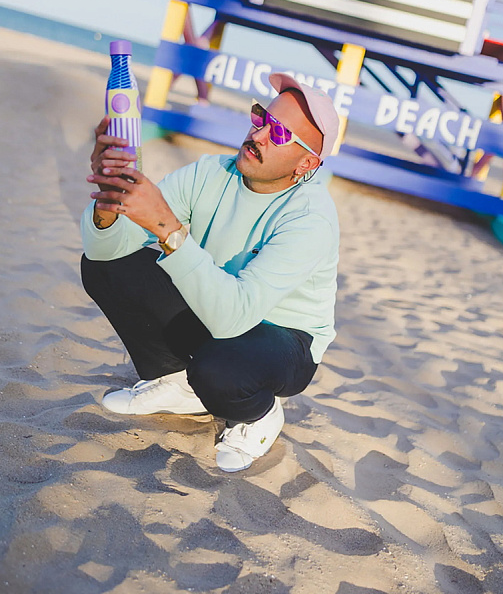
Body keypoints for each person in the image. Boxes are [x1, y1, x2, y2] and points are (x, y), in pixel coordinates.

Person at [80, 73, 340, 472]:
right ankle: (177, 383)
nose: (259, 135)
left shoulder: (310, 218)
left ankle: (259, 415)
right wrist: (110, 202)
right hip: (216, 307)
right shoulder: (211, 172)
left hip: (283, 337)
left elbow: (234, 316)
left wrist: (169, 229)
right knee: (106, 267)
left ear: (306, 164)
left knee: (220, 369)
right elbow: (104, 250)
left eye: (279, 133)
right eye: (261, 117)